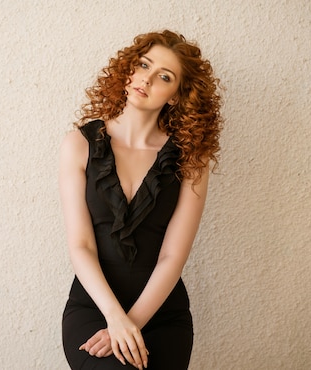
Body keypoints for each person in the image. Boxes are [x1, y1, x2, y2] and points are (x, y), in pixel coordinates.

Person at [60, 30, 222, 369]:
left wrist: (132, 322)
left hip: (162, 314)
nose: (146, 79)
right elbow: (81, 246)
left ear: (176, 95)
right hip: (95, 308)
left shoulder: (191, 159)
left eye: (164, 76)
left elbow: (172, 258)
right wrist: (116, 320)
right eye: (143, 65)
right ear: (129, 69)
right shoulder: (79, 144)